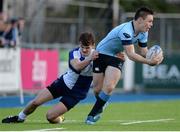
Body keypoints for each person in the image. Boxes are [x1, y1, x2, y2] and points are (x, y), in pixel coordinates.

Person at [85, 7, 163, 125]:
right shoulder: (126, 30)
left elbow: (143, 52)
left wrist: (155, 57)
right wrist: (149, 62)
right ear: (140, 20)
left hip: (117, 56)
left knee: (110, 86)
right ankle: (102, 102)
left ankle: (91, 116)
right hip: (100, 54)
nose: (151, 24)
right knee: (97, 89)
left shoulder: (143, 33)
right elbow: (131, 55)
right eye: (149, 21)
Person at [2, 32, 99, 124]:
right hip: (63, 83)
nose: (84, 50)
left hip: (77, 93)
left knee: (50, 116)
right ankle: (20, 118)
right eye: (82, 47)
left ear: (93, 46)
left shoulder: (99, 56)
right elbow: (77, 66)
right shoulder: (74, 53)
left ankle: (60, 118)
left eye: (87, 48)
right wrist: (90, 58)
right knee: (36, 102)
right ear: (79, 44)